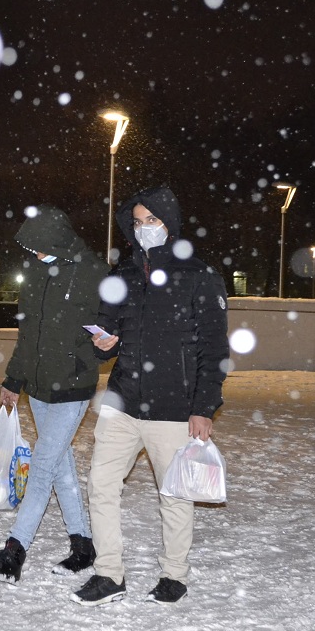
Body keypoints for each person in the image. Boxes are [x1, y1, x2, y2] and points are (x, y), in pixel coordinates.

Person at [71, 185, 229, 606]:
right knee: (101, 485)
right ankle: (109, 574)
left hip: (174, 409)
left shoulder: (199, 276)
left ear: (170, 224)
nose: (144, 230)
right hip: (122, 401)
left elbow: (214, 352)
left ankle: (174, 574)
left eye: (152, 221)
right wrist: (103, 342)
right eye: (137, 223)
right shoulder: (121, 274)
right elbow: (107, 329)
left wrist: (203, 408)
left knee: (174, 494)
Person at [0, 204, 109, 585]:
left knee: (44, 464)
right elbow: (28, 333)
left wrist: (102, 346)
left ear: (58, 240)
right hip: (38, 385)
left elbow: (112, 326)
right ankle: (83, 548)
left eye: (38, 246)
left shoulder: (93, 271)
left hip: (73, 383)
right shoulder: (35, 272)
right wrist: (13, 379)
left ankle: (13, 553)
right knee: (60, 464)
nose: (32, 254)